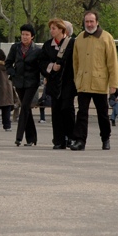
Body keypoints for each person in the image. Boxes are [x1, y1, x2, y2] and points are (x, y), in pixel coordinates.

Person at [70, 10, 118, 151]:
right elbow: (76, 62)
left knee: (102, 114)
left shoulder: (106, 38)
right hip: (83, 83)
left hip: (100, 83)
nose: (89, 24)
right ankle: (80, 140)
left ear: (97, 22)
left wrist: (113, 84)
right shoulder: (79, 38)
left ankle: (105, 138)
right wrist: (76, 80)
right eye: (87, 21)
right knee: (82, 113)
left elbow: (112, 63)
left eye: (92, 21)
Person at [38, 19, 77, 149]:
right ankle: (59, 140)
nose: (51, 31)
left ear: (61, 29)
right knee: (56, 112)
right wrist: (51, 67)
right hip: (54, 83)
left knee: (68, 109)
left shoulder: (72, 43)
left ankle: (71, 138)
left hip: (69, 82)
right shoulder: (48, 45)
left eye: (54, 28)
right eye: (51, 28)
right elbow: (42, 62)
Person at [6, 24, 42, 147]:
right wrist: (13, 73)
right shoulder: (15, 48)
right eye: (23, 34)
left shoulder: (37, 50)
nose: (24, 37)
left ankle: (19, 137)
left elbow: (40, 67)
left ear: (32, 36)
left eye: (27, 35)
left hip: (32, 83)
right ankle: (32, 138)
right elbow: (8, 63)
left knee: (25, 106)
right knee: (27, 109)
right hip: (19, 82)